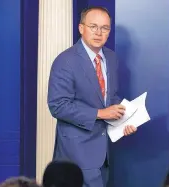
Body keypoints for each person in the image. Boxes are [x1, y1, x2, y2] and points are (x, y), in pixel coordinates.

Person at [47, 6, 137, 187]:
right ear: (81, 28)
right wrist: (101, 113)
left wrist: (125, 119)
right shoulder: (65, 61)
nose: (98, 33)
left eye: (104, 28)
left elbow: (109, 98)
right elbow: (58, 105)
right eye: (93, 26)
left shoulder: (111, 58)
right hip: (76, 153)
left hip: (103, 152)